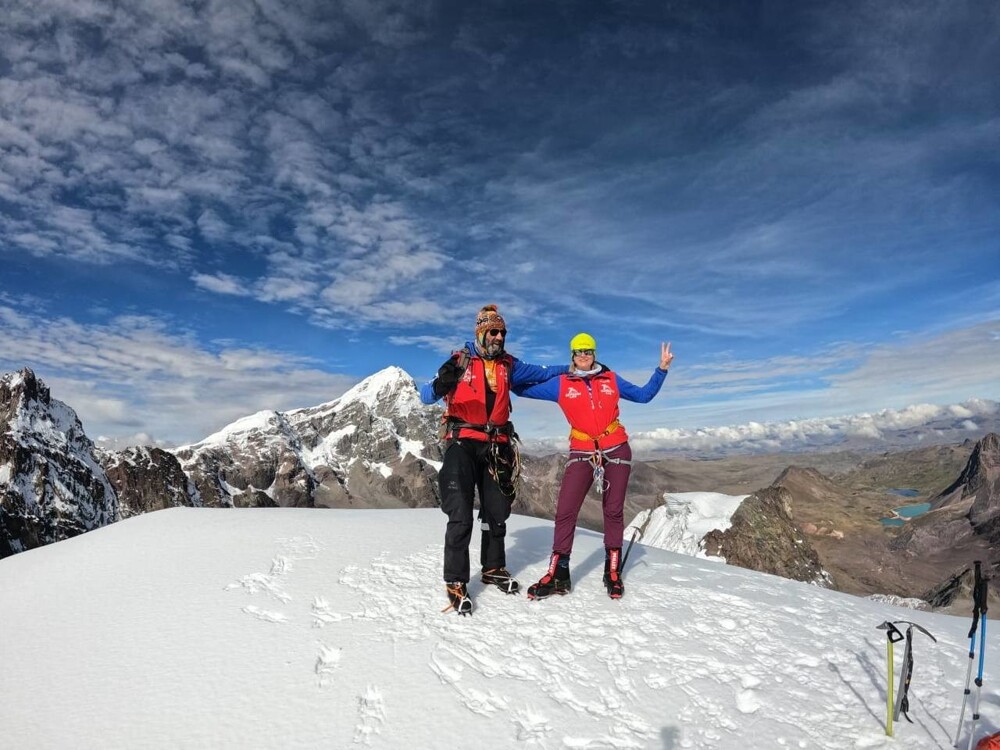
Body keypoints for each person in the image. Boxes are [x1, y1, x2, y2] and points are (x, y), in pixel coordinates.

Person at [419, 304, 567, 615]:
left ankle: (493, 567)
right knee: (460, 512)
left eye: (503, 332)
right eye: (494, 331)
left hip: (497, 444)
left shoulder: (509, 365)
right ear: (481, 332)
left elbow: (543, 372)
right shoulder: (459, 361)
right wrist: (439, 384)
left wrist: (574, 368)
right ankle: (455, 580)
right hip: (462, 442)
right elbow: (425, 396)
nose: (499, 337)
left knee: (496, 511)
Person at [516, 333, 673, 600]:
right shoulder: (561, 384)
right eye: (578, 352)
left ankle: (612, 571)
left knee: (612, 511)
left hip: (617, 448)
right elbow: (520, 387)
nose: (584, 356)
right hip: (582, 450)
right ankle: (559, 572)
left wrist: (661, 370)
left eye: (588, 351)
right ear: (572, 356)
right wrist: (547, 370)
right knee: (566, 510)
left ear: (595, 353)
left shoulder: (611, 379)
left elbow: (644, 396)